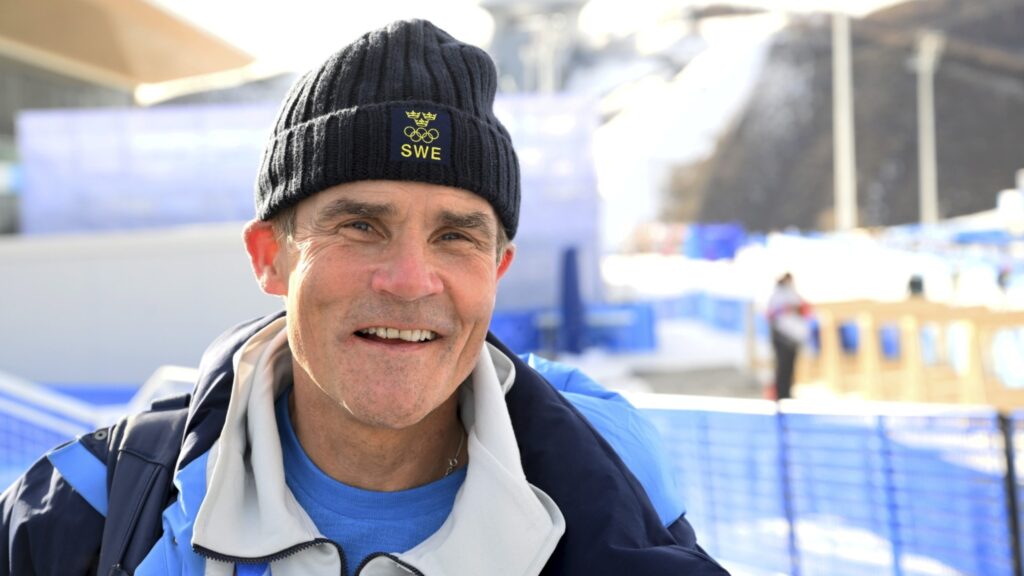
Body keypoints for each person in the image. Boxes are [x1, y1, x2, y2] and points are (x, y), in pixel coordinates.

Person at [0, 19, 726, 576]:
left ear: (497, 270)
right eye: (360, 226)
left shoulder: (617, 498)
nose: (409, 280)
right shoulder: (84, 516)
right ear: (271, 257)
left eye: (455, 236)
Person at [767, 273, 809, 400]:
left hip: (793, 337)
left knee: (790, 367)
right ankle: (780, 393)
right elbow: (770, 314)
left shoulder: (794, 294)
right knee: (782, 366)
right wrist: (785, 309)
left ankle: (788, 391)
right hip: (781, 336)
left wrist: (797, 309)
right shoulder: (776, 295)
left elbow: (804, 310)